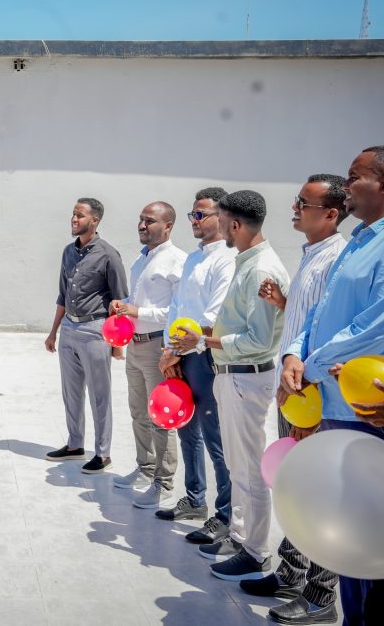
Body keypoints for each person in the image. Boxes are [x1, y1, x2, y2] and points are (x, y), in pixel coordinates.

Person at [281, 146, 384, 625]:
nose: (346, 185)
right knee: (351, 537)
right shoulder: (360, 238)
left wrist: (311, 364)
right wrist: (296, 351)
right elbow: (322, 310)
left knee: (376, 548)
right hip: (337, 404)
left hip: (375, 411)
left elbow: (383, 323)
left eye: (355, 177)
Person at [239, 175, 348, 624]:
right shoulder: (311, 256)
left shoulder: (336, 259)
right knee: (297, 489)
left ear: (331, 214)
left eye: (305, 202)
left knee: (319, 494)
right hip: (294, 389)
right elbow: (307, 321)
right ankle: (291, 572)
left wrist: (310, 393)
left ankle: (322, 596)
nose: (295, 207)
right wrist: (286, 304)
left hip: (312, 394)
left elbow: (330, 333)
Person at [171, 190, 289, 582]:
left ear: (235, 224)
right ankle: (240, 539)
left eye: (220, 221)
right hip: (233, 375)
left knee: (251, 471)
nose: (216, 228)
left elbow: (257, 339)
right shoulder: (246, 262)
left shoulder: (260, 269)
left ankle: (255, 552)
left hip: (247, 375)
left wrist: (205, 341)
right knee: (240, 467)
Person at [156, 188, 236, 545]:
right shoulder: (192, 259)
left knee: (215, 436)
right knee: (186, 427)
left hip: (205, 355)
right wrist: (168, 349)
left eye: (201, 214)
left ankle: (225, 514)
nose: (195, 221)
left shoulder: (227, 259)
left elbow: (213, 315)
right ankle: (194, 498)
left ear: (221, 216)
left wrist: (180, 347)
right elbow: (176, 308)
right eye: (192, 214)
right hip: (180, 353)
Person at [109, 202, 186, 508]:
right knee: (138, 411)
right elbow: (135, 300)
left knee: (161, 416)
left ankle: (164, 483)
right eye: (140, 220)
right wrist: (123, 303)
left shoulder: (177, 261)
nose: (142, 226)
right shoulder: (141, 260)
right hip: (135, 343)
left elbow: (176, 311)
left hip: (157, 346)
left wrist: (137, 310)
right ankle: (145, 467)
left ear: (168, 226)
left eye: (150, 221)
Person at [44, 198, 128, 474]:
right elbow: (62, 295)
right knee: (71, 392)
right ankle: (75, 444)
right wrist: (53, 332)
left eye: (80, 215)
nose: (74, 219)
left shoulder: (108, 255)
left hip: (95, 331)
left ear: (95, 220)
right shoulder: (68, 252)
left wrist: (117, 345)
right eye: (73, 214)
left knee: (99, 395)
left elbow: (119, 300)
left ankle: (102, 453)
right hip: (69, 328)